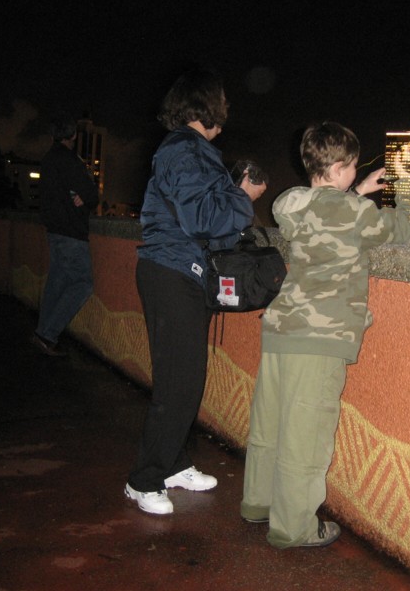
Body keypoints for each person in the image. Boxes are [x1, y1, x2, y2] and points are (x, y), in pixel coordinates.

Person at [240, 122, 410, 548]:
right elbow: (404, 228)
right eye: (353, 166)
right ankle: (293, 528)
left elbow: (324, 209)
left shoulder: (291, 204)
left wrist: (356, 190)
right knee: (306, 435)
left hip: (281, 328)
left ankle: (258, 503)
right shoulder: (356, 215)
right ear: (341, 166)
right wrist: (408, 186)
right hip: (321, 336)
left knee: (270, 425)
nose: (355, 171)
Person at [124, 69, 266, 516]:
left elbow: (206, 218)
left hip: (182, 272)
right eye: (222, 100)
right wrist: (245, 196)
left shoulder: (190, 151)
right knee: (179, 381)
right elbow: (204, 219)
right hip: (171, 272)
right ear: (207, 106)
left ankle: (173, 463)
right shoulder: (186, 149)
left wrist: (232, 191)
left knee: (184, 378)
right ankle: (143, 479)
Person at [31, 113, 99, 357]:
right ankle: (47, 334)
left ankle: (43, 331)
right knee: (82, 284)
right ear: (73, 135)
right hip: (71, 231)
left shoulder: (48, 159)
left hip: (55, 230)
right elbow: (91, 194)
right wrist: (85, 198)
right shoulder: (70, 160)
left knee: (57, 281)